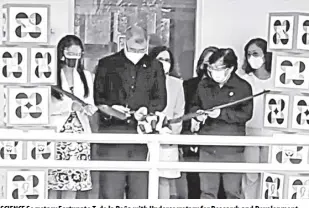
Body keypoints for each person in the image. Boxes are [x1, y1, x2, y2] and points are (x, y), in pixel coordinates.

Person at [93, 24, 167, 199]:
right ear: (125, 42)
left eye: (142, 49)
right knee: (111, 192)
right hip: (113, 133)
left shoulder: (154, 66)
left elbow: (161, 100)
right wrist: (112, 109)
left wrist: (146, 110)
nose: (138, 52)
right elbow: (98, 99)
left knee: (140, 192)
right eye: (134, 48)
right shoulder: (107, 64)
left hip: (141, 135)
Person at [189, 48, 253, 199]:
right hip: (208, 146)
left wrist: (222, 114)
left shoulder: (242, 87)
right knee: (207, 191)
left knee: (232, 192)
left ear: (230, 68)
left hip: (232, 148)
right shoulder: (204, 85)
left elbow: (246, 114)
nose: (214, 72)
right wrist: (197, 114)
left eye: (218, 68)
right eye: (211, 68)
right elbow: (194, 105)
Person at [48, 35, 97, 199]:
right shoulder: (50, 75)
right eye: (70, 53)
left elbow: (89, 101)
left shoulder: (86, 76)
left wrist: (88, 108)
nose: (74, 58)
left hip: (79, 133)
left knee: (73, 182)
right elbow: (45, 106)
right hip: (57, 132)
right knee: (52, 181)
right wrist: (69, 107)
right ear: (62, 53)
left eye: (78, 54)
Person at [180, 46, 218, 199]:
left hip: (214, 143)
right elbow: (184, 112)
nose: (208, 67)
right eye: (205, 62)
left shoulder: (221, 87)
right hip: (192, 141)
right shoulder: (189, 85)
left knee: (215, 186)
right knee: (194, 184)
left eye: (212, 63)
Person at [149, 46, 185, 199]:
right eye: (160, 59)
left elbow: (179, 112)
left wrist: (170, 133)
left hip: (167, 137)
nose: (164, 63)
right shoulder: (144, 80)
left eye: (167, 60)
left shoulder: (176, 84)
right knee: (142, 178)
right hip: (145, 135)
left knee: (164, 180)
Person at [240, 38, 273, 199]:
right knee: (250, 176)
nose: (252, 57)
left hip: (271, 134)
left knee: (270, 175)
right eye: (249, 54)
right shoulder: (245, 80)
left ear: (265, 55)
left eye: (256, 53)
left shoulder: (277, 80)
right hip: (250, 132)